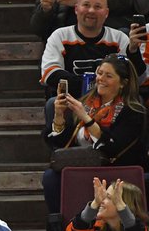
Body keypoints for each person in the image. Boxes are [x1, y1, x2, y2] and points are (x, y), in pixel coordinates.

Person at [42, 53, 149, 214]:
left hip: (116, 168)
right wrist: (58, 115)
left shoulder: (133, 111)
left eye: (108, 76)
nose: (100, 79)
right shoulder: (86, 103)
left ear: (122, 83)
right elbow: (61, 144)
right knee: (50, 177)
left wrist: (86, 118)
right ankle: (60, 228)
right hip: (81, 165)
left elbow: (115, 147)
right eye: (99, 73)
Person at [40, 0, 145, 100]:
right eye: (86, 5)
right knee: (52, 103)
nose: (91, 10)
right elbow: (50, 74)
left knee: (136, 100)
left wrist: (133, 51)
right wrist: (96, 85)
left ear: (106, 13)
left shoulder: (119, 38)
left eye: (98, 7)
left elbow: (137, 79)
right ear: (76, 9)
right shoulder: (60, 36)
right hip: (72, 99)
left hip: (112, 100)